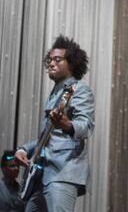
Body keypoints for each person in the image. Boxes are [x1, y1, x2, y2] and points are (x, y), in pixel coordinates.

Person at [14, 35, 95, 212]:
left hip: (62, 172)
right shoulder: (55, 94)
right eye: (49, 60)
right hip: (40, 174)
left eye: (57, 59)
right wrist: (23, 149)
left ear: (72, 64)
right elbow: (47, 138)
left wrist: (67, 125)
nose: (51, 63)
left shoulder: (79, 90)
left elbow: (86, 126)